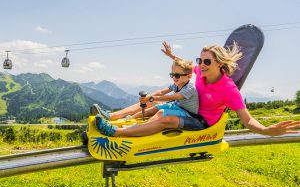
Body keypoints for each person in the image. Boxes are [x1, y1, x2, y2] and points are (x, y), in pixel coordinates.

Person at [93, 41, 299, 137]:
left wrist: (266, 130)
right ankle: (110, 116)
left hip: (202, 121)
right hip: (187, 109)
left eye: (207, 61)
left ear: (220, 63)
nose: (201, 64)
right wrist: (172, 56)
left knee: (167, 118)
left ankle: (116, 133)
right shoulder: (200, 72)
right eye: (201, 60)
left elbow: (247, 120)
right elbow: (185, 64)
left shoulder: (229, 89)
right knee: (153, 103)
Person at [94, 59, 208, 136]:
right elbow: (162, 91)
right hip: (178, 106)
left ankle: (138, 127)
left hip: (188, 113)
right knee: (153, 109)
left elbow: (173, 96)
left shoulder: (190, 88)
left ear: (188, 76)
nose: (174, 78)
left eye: (177, 75)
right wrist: (149, 97)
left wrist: (152, 99)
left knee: (161, 112)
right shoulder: (177, 84)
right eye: (172, 74)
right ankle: (125, 120)